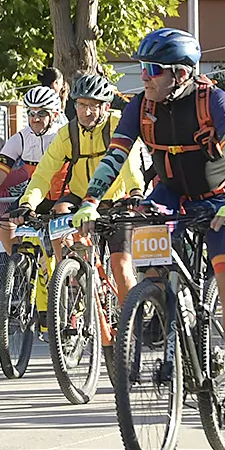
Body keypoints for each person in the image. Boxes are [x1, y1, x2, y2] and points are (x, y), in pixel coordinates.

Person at [79, 28, 225, 433]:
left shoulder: (214, 101)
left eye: (153, 69)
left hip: (220, 196)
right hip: (170, 193)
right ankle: (164, 304)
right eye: (142, 68)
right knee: (145, 241)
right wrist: (90, 200)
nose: (144, 77)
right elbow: (115, 157)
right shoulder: (139, 106)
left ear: (181, 74)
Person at [23, 70, 145, 322]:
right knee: (58, 211)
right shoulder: (68, 133)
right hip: (81, 198)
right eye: (81, 105)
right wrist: (27, 202)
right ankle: (68, 275)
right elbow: (44, 173)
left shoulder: (117, 125)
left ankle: (131, 324)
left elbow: (129, 162)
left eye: (93, 106)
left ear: (106, 107)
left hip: (117, 199)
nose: (86, 112)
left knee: (121, 267)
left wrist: (135, 191)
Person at [0, 86, 61, 250]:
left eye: (42, 113)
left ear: (55, 115)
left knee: (59, 241)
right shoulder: (20, 139)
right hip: (35, 196)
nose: (35, 119)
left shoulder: (62, 136)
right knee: (5, 228)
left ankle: (68, 273)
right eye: (31, 113)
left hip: (63, 195)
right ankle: (20, 267)